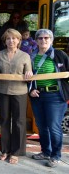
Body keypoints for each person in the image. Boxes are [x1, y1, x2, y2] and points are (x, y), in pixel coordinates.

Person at [29, 29, 69, 168]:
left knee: (54, 126)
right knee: (41, 126)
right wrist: (31, 90)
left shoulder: (59, 55)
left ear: (51, 40)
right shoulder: (31, 56)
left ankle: (56, 155)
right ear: (36, 40)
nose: (43, 40)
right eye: (40, 38)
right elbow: (28, 77)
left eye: (47, 38)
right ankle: (46, 151)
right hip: (37, 96)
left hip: (55, 96)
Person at [0, 28, 33, 164]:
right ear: (5, 41)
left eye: (14, 38)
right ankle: (5, 150)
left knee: (19, 122)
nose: (11, 41)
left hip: (19, 93)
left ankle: (16, 152)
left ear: (19, 40)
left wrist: (29, 75)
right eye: (8, 38)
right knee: (4, 120)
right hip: (2, 91)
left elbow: (29, 73)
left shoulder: (25, 56)